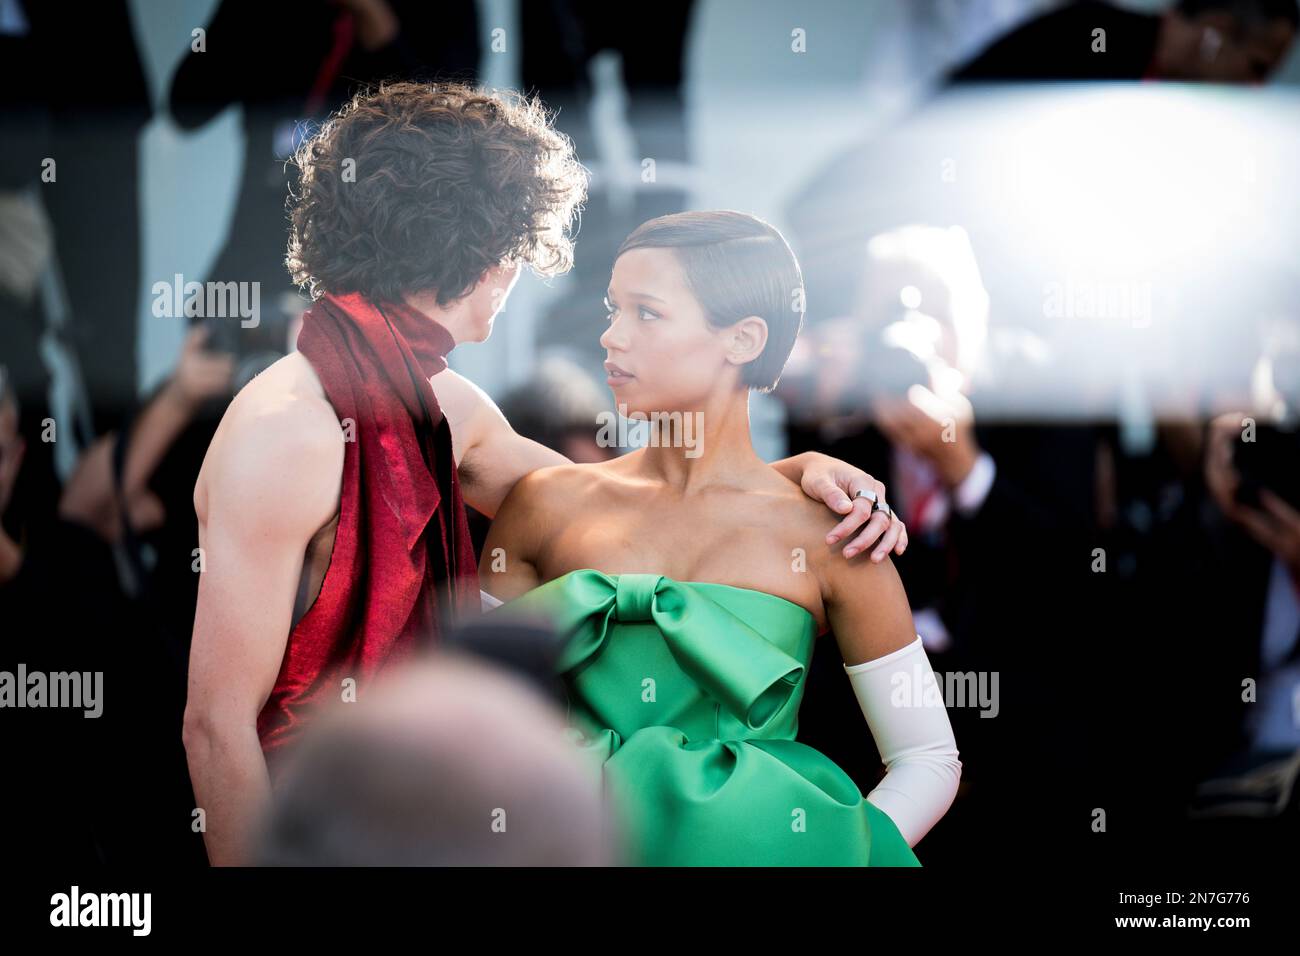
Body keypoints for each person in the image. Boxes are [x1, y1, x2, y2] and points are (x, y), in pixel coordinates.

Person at [184, 82, 911, 867]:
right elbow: (215, 726)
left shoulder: (446, 407)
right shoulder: (284, 429)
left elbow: (625, 508)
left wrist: (792, 479)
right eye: (514, 250)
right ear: (476, 248)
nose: (517, 272)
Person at [481, 211, 962, 866]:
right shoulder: (542, 505)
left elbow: (928, 758)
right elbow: (468, 717)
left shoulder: (832, 532)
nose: (610, 337)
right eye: (611, 308)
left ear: (743, 338)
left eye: (645, 313)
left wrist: (818, 853)